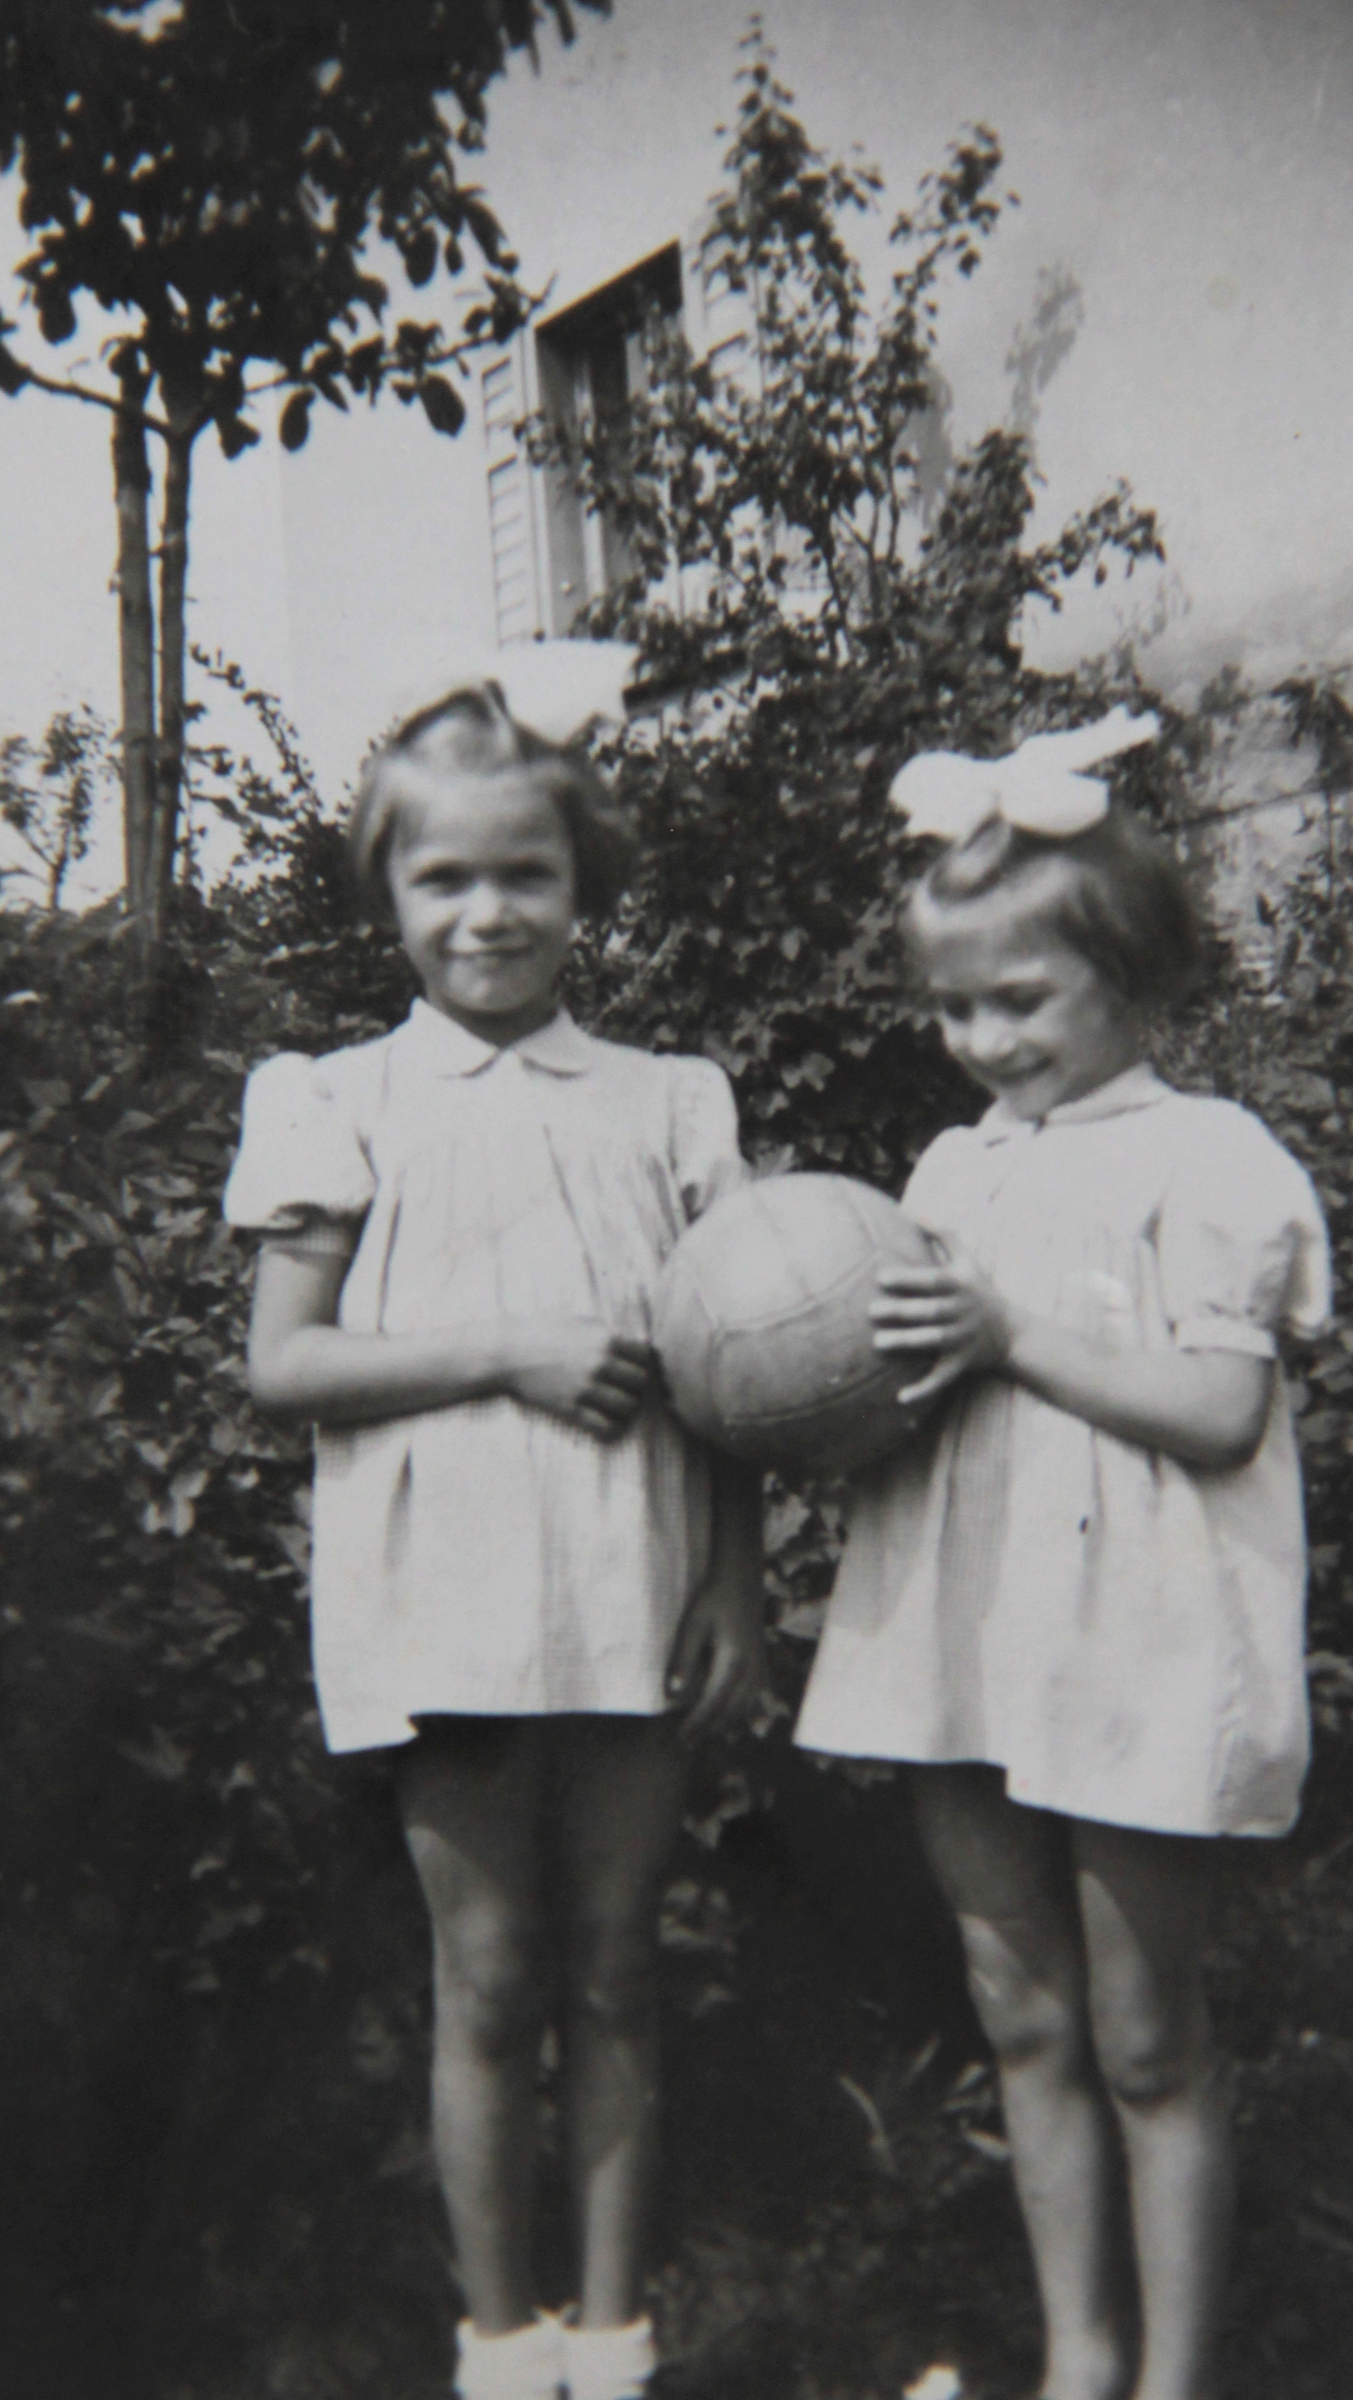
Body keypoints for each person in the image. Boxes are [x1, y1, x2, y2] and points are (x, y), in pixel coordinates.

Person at [224, 679, 765, 2400]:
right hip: (442, 1592)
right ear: (386, 894)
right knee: (489, 1975)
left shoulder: (667, 1103)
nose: (486, 913)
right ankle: (498, 2339)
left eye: (524, 873)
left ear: (581, 883)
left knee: (612, 1967)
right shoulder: (342, 1099)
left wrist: (735, 1578)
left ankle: (611, 2334)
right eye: (442, 878)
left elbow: (740, 1369)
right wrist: (513, 1352)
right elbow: (284, 1365)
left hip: (630, 1580)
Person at [795, 722, 1331, 2400]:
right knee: (1020, 2014)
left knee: (1145, 2034)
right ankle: (1076, 2362)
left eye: (1019, 998)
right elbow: (900, 1380)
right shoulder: (951, 1169)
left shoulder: (1207, 1159)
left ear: (1133, 974)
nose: (983, 1039)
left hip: (1136, 1635)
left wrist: (1009, 1331)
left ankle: (1169, 2381)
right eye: (953, 1007)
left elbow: (1219, 1413)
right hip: (969, 1631)